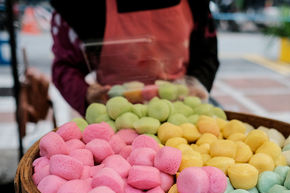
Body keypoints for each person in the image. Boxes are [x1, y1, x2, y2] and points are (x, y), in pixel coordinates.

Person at [50, 0, 220, 116]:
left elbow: (207, 54)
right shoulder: (80, 10)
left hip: (184, 112)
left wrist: (196, 84)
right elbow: (65, 66)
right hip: (114, 115)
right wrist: (86, 94)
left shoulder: (195, 4)